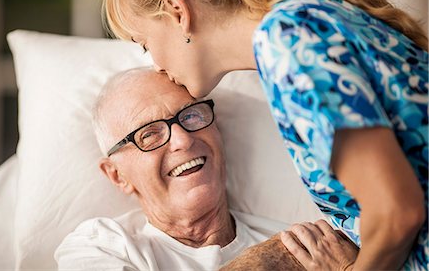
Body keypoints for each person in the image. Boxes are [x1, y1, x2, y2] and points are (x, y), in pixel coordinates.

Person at [103, 0, 428, 270]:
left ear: (177, 10)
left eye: (145, 45)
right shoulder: (312, 15)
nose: (156, 66)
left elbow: (396, 214)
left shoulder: (288, 44)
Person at [54, 68, 358, 270]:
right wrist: (269, 262)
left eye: (191, 116)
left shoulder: (312, 247)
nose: (183, 140)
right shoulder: (102, 245)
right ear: (117, 175)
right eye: (149, 134)